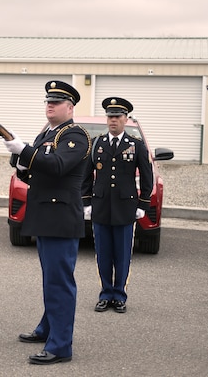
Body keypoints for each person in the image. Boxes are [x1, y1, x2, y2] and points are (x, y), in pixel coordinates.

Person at [2, 80, 91, 365]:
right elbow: (35, 173)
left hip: (60, 218)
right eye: (47, 101)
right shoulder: (47, 133)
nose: (50, 105)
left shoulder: (75, 135)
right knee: (50, 279)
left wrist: (24, 150)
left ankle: (61, 345)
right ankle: (48, 328)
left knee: (59, 282)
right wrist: (20, 161)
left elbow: (57, 166)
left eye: (56, 101)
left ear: (70, 107)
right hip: (44, 215)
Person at [82, 97, 153, 313]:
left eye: (117, 116)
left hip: (125, 207)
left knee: (122, 254)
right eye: (110, 116)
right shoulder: (96, 144)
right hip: (101, 206)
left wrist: (143, 203)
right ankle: (105, 293)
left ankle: (119, 295)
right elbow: (86, 176)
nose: (113, 120)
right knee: (103, 253)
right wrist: (86, 202)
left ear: (125, 119)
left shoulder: (136, 145)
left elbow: (148, 177)